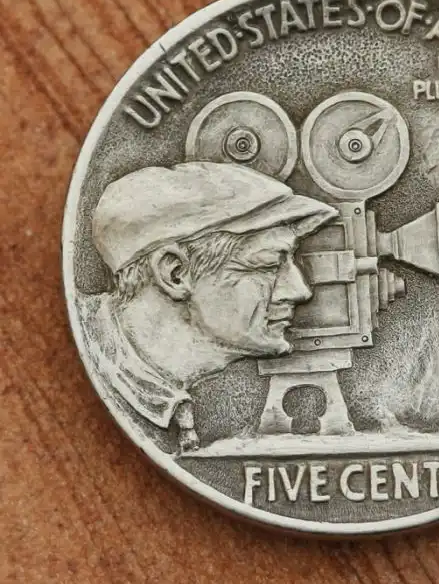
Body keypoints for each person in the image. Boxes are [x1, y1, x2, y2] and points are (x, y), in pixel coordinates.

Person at [77, 161, 337, 453]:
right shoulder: (77, 364)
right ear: (175, 273)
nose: (300, 291)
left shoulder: (143, 381)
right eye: (269, 265)